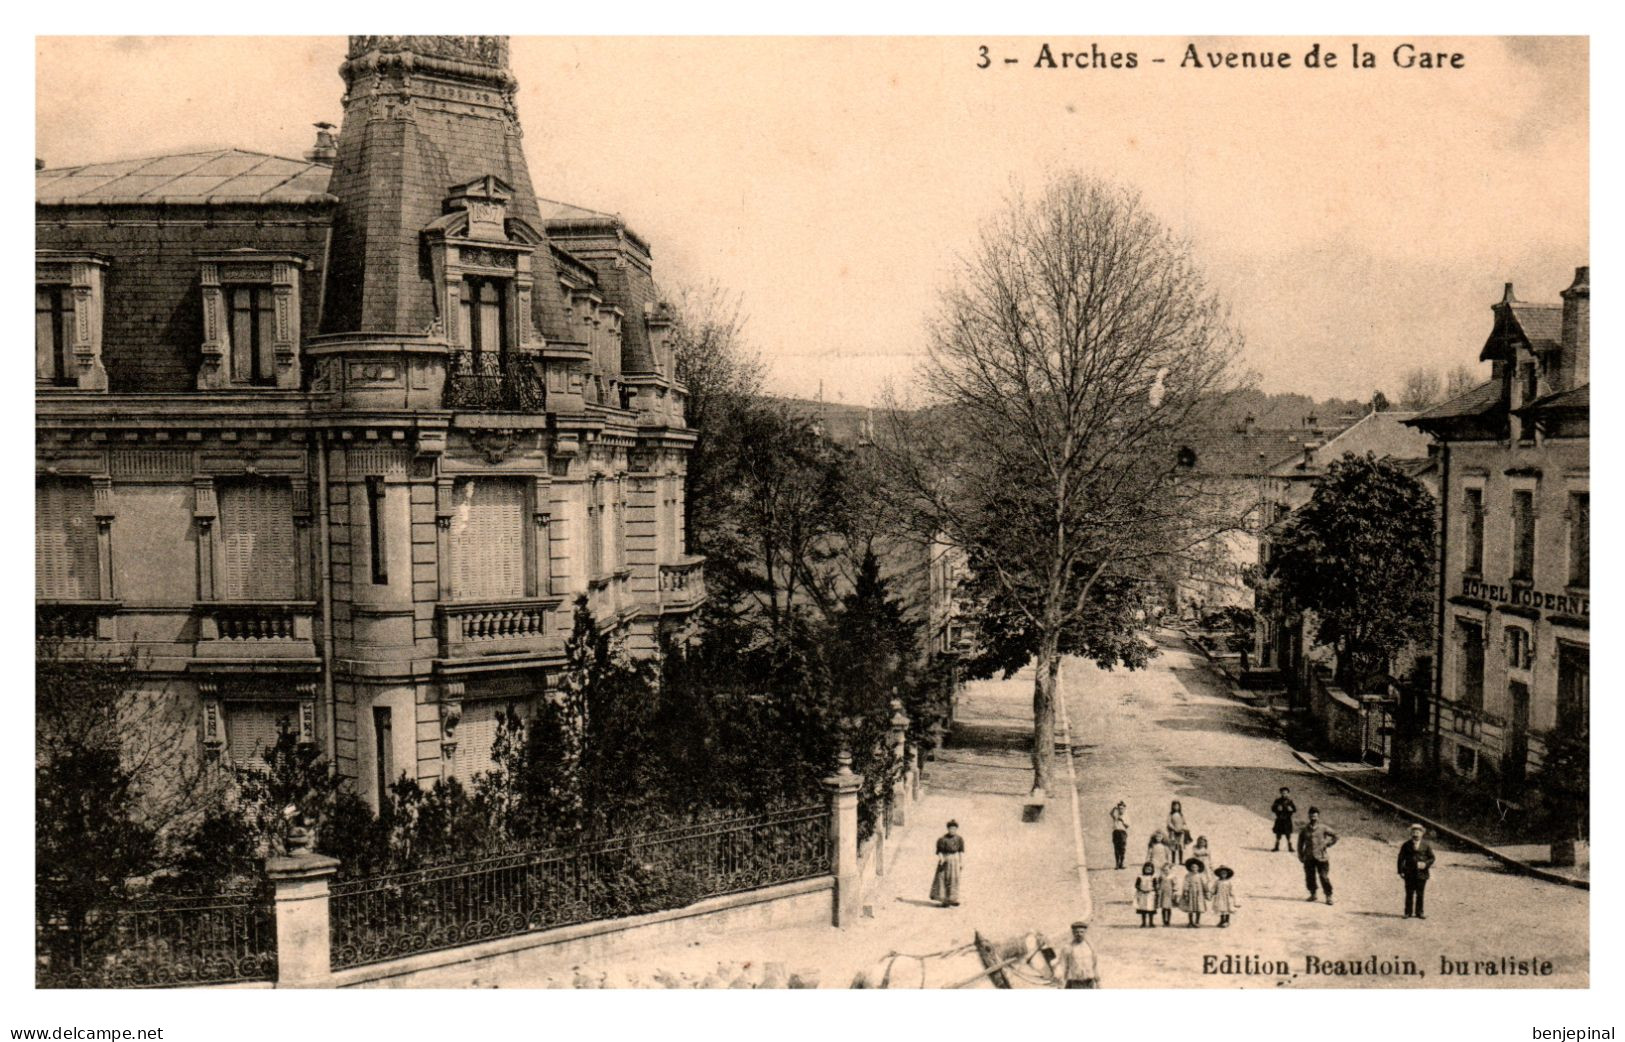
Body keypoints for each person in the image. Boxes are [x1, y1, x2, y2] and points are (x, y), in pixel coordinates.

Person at [1297, 807, 1338, 905]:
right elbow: (1300, 843)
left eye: (1315, 816)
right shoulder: (1304, 829)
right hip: (1309, 856)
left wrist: (1328, 844)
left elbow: (1336, 835)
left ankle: (1329, 896)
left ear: (1318, 817)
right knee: (1310, 876)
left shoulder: (1323, 828)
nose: (1313, 818)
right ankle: (1313, 894)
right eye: (1311, 816)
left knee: (1323, 877)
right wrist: (1301, 855)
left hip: (1322, 857)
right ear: (1309, 816)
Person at [1397, 823, 1436, 919]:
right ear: (1411, 834)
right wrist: (1400, 871)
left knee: (1420, 893)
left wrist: (1425, 864)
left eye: (1418, 832)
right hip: (1409, 873)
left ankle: (1419, 912)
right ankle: (1408, 912)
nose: (1416, 834)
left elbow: (1432, 858)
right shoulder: (1406, 845)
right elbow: (1400, 858)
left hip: (1421, 874)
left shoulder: (1426, 845)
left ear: (1422, 834)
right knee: (1409, 893)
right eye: (1414, 832)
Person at [930, 820, 964, 907]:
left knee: (954, 879)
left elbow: (961, 851)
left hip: (955, 861)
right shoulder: (942, 839)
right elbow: (939, 851)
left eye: (954, 829)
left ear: (956, 829)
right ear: (948, 829)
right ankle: (944, 900)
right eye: (950, 828)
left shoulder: (959, 839)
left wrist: (961, 862)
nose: (952, 830)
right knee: (943, 879)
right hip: (946, 860)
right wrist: (941, 859)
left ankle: (953, 899)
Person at [1060, 922, 1100, 988]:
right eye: (1076, 932)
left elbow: (1095, 965)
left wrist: (1098, 982)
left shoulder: (1090, 947)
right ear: (1073, 933)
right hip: (1074, 982)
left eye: (1082, 932)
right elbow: (1064, 966)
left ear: (1085, 933)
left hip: (1089, 982)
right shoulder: (1067, 947)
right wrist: (1062, 982)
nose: (1079, 934)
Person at [1180, 857, 1212, 927]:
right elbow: (1186, 883)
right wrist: (1185, 891)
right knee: (1190, 908)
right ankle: (1190, 922)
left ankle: (1197, 922)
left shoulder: (1201, 875)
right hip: (1191, 893)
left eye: (1195, 867)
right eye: (1192, 867)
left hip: (1199, 893)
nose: (1194, 868)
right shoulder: (1188, 875)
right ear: (1190, 868)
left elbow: (1204, 884)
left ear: (1198, 868)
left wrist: (1207, 891)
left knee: (1198, 907)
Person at [1158, 860, 1185, 927]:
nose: (1165, 871)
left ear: (1170, 870)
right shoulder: (1161, 876)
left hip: (1169, 893)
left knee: (1169, 908)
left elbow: (1175, 884)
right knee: (1163, 908)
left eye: (1167, 870)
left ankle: (1168, 921)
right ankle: (1164, 921)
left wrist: (1175, 891)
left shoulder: (1172, 877)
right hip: (1163, 893)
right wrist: (1158, 889)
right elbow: (1158, 884)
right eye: (1164, 870)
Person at [1271, 787, 1297, 852]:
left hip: (1287, 820)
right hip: (1279, 819)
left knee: (1288, 834)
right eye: (1282, 793)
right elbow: (1273, 808)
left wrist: (1291, 809)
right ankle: (1276, 847)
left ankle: (1290, 847)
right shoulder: (1278, 801)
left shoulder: (1290, 801)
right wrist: (1277, 808)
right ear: (1281, 793)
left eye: (1285, 793)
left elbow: (1294, 809)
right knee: (1278, 834)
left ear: (1288, 794)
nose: (1284, 794)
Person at [1134, 862, 1159, 927]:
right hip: (1142, 894)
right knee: (1143, 909)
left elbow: (1156, 885)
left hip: (1150, 894)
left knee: (1151, 908)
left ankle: (1151, 922)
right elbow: (1136, 885)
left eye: (1149, 869)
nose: (1148, 870)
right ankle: (1143, 923)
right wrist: (1140, 889)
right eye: (1146, 869)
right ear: (1144, 869)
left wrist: (1155, 890)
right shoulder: (1140, 877)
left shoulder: (1153, 877)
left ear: (1152, 870)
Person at [1110, 801, 1131, 869]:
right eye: (1119, 808)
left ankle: (1121, 863)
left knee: (1122, 849)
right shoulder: (1116, 815)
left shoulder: (1126, 816)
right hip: (1116, 832)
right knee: (1116, 848)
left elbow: (1127, 826)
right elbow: (1111, 814)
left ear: (1124, 809)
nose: (1120, 810)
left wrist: (1122, 821)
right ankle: (1117, 863)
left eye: (1122, 808)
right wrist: (1114, 808)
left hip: (1122, 832)